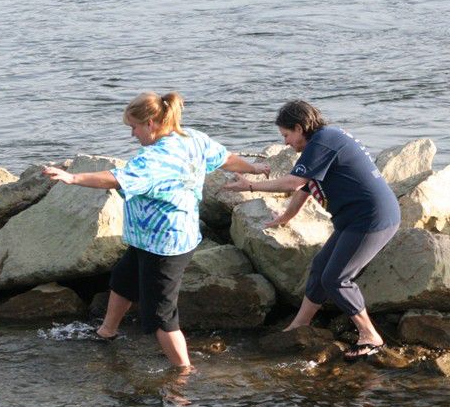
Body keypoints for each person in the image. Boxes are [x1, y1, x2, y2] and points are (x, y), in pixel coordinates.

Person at [43, 91, 269, 368]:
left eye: (133, 127)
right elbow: (227, 158)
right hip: (154, 237)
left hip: (164, 245)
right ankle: (107, 331)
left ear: (150, 123)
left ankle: (183, 372)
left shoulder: (155, 159)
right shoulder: (191, 138)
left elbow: (113, 179)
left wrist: (73, 176)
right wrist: (256, 168)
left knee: (161, 315)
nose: (132, 135)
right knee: (124, 278)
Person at [223, 100, 401, 361]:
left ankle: (370, 334)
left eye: (286, 135)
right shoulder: (325, 139)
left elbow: (295, 183)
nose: (285, 143)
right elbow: (306, 189)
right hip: (355, 219)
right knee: (320, 267)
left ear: (299, 127)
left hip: (371, 219)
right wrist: (285, 217)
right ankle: (300, 323)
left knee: (337, 278)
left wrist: (250, 186)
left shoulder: (324, 141)